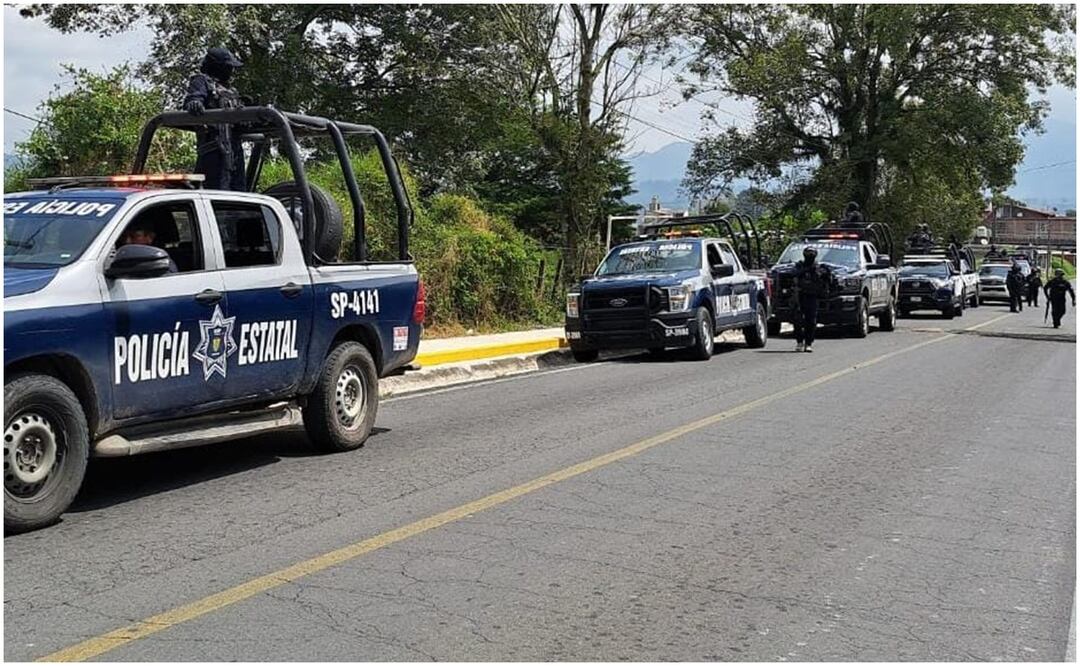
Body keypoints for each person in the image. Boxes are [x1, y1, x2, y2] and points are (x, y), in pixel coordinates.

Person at [182, 47, 246, 191]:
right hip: (213, 149)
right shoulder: (202, 81)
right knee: (216, 192)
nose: (232, 71)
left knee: (239, 193)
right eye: (229, 67)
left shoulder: (232, 91)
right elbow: (193, 99)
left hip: (235, 151)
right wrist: (195, 104)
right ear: (218, 67)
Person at [792, 246, 831, 353]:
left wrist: (823, 272)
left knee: (811, 321)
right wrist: (807, 270)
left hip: (813, 296)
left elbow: (827, 278)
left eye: (812, 254)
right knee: (798, 320)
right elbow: (794, 273)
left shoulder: (819, 267)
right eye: (808, 253)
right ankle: (799, 342)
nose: (810, 256)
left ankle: (808, 343)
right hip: (800, 295)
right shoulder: (799, 265)